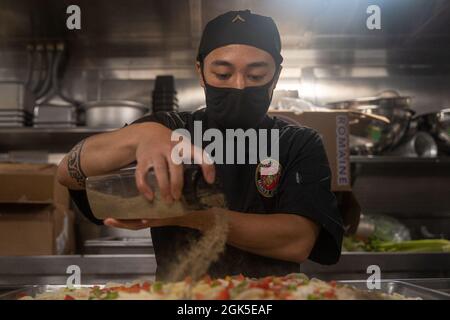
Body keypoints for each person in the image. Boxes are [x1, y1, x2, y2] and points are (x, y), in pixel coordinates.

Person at [57, 10, 344, 280]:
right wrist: (141, 136)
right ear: (200, 72)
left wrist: (193, 216)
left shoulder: (298, 143)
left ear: (276, 76)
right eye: (222, 74)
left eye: (256, 75)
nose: (240, 86)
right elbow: (68, 172)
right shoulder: (171, 128)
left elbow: (297, 241)